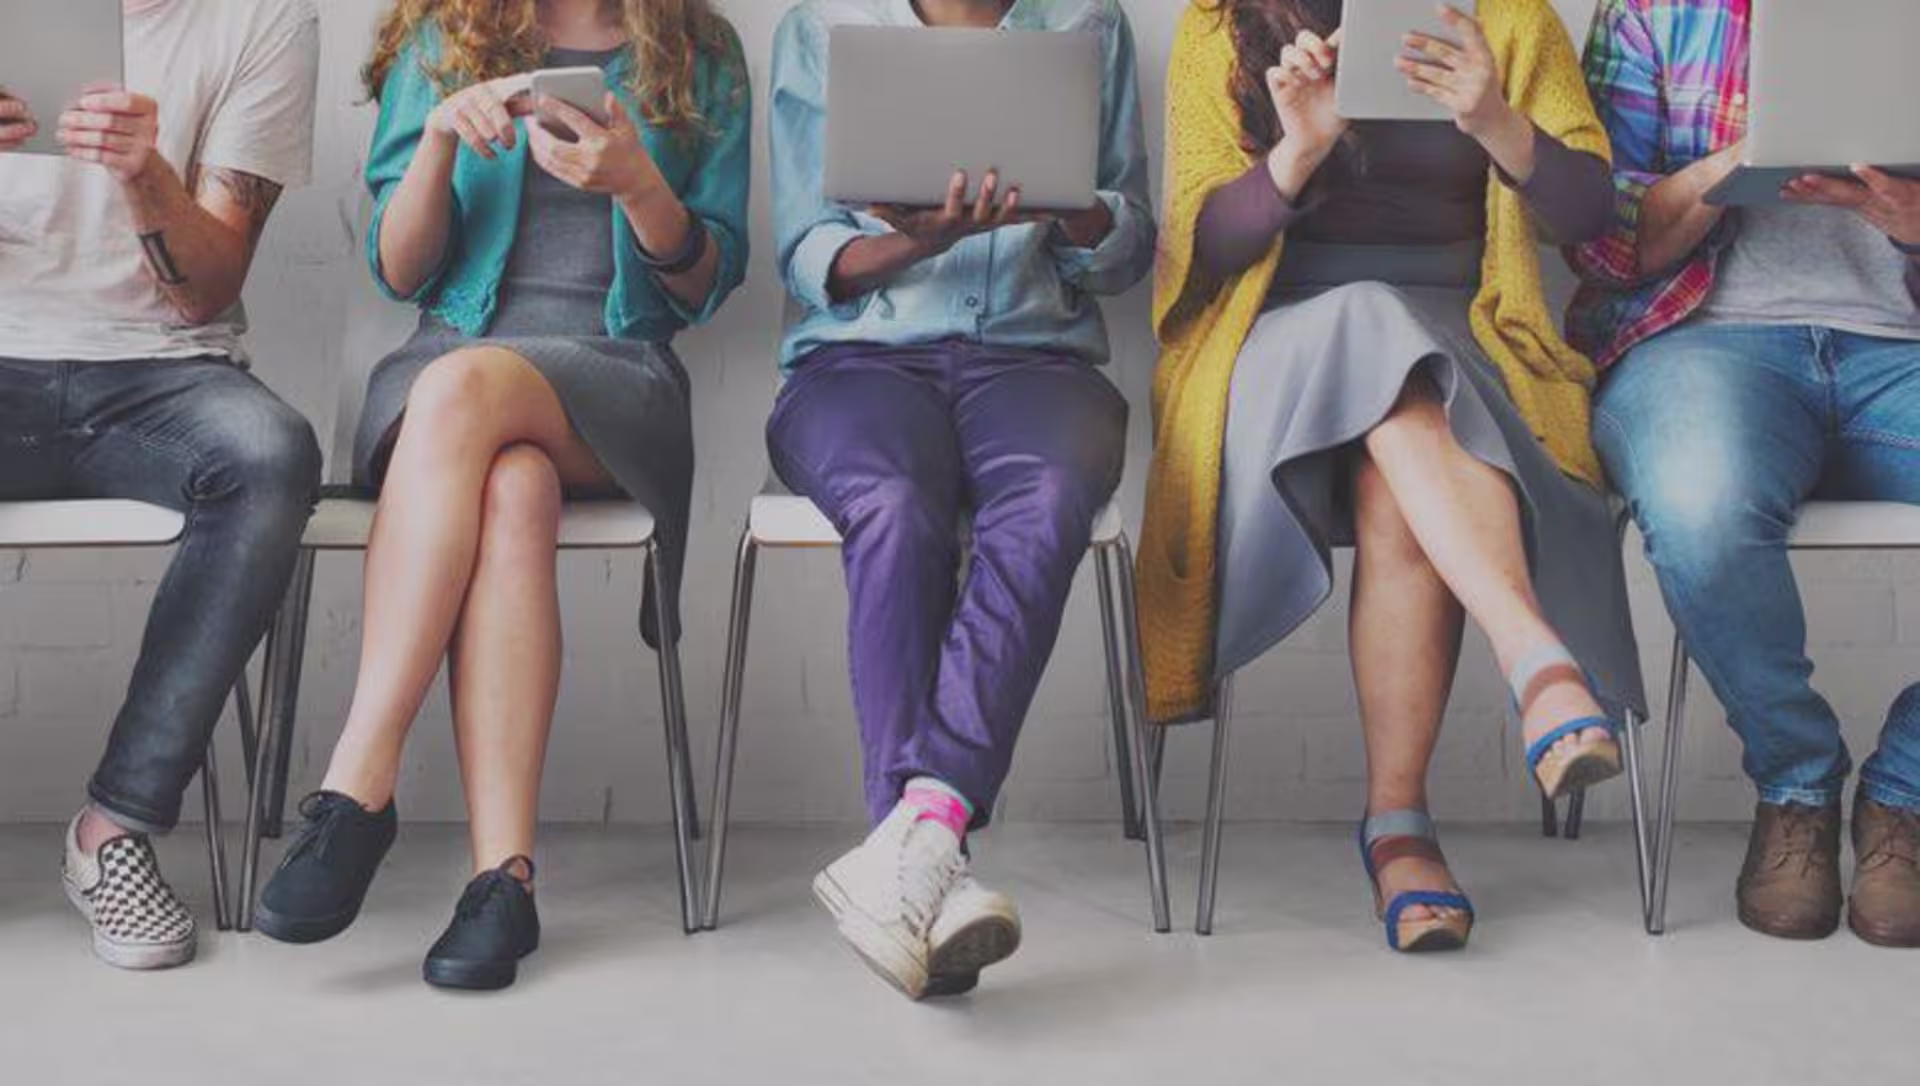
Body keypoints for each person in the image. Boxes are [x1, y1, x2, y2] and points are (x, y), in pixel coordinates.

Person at [251, 0, 749, 990]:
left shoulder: (699, 47)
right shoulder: (445, 38)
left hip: (615, 378)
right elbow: (400, 272)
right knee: (513, 487)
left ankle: (359, 780)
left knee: (466, 387)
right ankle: (503, 881)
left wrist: (640, 187)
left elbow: (705, 283)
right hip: (448, 373)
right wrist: (437, 140)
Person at [1138, 0, 1642, 952]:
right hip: (1273, 350)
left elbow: (1587, 217)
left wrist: (1494, 119)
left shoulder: (1505, 17)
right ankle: (1535, 659)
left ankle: (1399, 828)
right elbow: (1200, 252)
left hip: (1460, 340)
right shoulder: (1218, 26)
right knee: (1374, 323)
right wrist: (1299, 149)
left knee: (1402, 464)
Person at [768, 0, 1154, 999]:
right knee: (895, 504)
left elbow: (1126, 248)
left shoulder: (1085, 21)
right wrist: (918, 243)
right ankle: (930, 858)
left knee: (1054, 492)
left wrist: (1070, 208)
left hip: (1037, 359)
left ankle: (918, 837)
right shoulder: (824, 22)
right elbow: (808, 256)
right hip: (857, 365)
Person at [1572, 0, 1920, 947]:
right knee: (1699, 504)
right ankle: (1797, 784)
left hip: (1903, 348)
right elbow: (1601, 242)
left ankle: (1905, 795)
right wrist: (1725, 172)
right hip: (1706, 343)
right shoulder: (1654, 13)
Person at [0, 0, 321, 971]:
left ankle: (116, 831)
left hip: (160, 369)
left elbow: (207, 286)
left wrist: (146, 177)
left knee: (270, 455)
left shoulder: (262, 20)